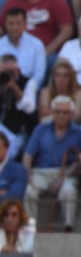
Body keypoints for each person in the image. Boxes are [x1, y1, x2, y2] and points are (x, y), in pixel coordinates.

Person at [0, 0, 74, 72]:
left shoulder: (55, 0)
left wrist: (47, 50)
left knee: (54, 62)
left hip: (46, 52)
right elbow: (0, 27)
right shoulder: (12, 1)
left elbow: (67, 30)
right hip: (15, 51)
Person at [22, 95, 81, 230]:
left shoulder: (78, 133)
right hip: (41, 173)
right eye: (58, 111)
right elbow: (28, 155)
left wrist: (64, 177)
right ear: (52, 112)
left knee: (69, 191)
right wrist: (27, 174)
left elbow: (79, 160)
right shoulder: (40, 129)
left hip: (67, 173)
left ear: (71, 114)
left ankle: (68, 227)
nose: (61, 115)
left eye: (65, 112)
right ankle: (31, 228)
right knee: (29, 191)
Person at [0, 53, 39, 144]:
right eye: (3, 72)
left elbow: (30, 109)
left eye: (9, 72)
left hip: (18, 131)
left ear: (18, 71)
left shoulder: (28, 82)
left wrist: (14, 88)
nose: (5, 76)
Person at [0, 7, 47, 90]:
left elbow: (39, 75)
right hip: (1, 86)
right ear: (5, 24)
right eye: (11, 23)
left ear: (25, 24)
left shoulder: (36, 44)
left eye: (18, 23)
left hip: (26, 86)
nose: (14, 27)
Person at [37, 57, 81, 122]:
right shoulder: (46, 92)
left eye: (65, 75)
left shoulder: (78, 92)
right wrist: (66, 113)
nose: (61, 79)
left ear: (71, 78)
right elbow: (44, 112)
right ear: (53, 77)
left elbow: (77, 115)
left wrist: (55, 112)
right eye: (58, 75)